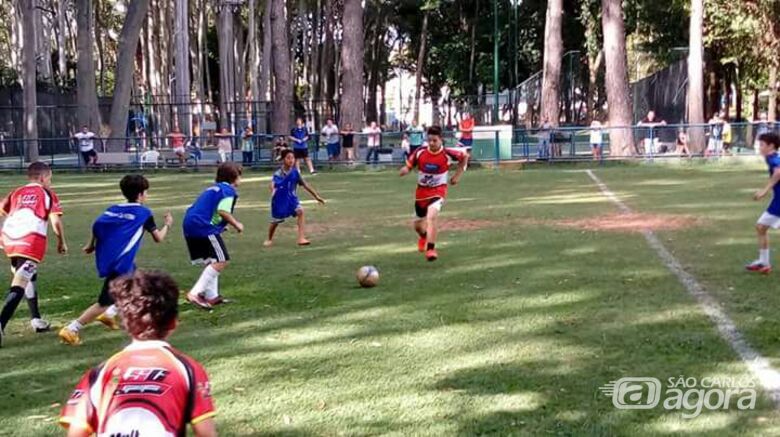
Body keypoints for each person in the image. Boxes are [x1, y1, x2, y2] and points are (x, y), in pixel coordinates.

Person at [58, 270, 217, 437]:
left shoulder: (100, 373)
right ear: (173, 323)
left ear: (125, 323)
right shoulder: (188, 370)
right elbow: (206, 433)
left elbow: (76, 432)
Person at [58, 175, 173, 346]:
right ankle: (72, 328)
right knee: (104, 302)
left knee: (139, 285)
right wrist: (168, 224)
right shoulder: (144, 213)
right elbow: (159, 238)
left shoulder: (113, 209)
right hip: (120, 264)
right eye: (146, 192)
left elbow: (98, 225)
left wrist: (91, 245)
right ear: (141, 194)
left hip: (116, 260)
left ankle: (110, 314)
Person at [0, 162, 67, 346]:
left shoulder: (17, 192)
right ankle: (1, 322)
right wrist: (61, 241)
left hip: (9, 239)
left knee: (28, 275)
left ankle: (36, 320)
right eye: (50, 179)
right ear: (43, 177)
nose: (50, 182)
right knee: (20, 282)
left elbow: (3, 210)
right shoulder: (48, 194)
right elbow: (56, 222)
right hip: (30, 241)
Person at [399, 126, 468, 262]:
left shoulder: (448, 153)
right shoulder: (420, 152)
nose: (431, 143)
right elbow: (409, 165)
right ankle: (424, 237)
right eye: (429, 140)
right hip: (421, 193)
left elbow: (464, 156)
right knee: (418, 227)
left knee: (431, 217)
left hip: (438, 190)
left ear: (441, 140)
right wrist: (405, 169)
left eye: (434, 140)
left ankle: (431, 249)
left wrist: (457, 176)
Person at [183, 162, 244, 310]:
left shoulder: (213, 189)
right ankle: (195, 293)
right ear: (234, 178)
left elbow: (210, 210)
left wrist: (218, 227)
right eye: (239, 176)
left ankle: (211, 296)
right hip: (203, 227)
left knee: (212, 259)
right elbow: (223, 211)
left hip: (191, 224)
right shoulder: (228, 191)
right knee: (222, 260)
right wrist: (237, 224)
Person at [264, 149, 326, 247]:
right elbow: (272, 184)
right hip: (280, 201)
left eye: (292, 158)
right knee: (276, 221)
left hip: (292, 199)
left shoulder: (295, 172)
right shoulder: (278, 173)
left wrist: (316, 196)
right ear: (283, 159)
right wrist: (273, 191)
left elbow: (305, 184)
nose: (291, 160)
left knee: (300, 211)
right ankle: (269, 238)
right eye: (288, 158)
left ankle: (301, 238)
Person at [746, 133, 780, 274]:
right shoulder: (771, 157)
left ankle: (764, 262)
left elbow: (778, 172)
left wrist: (764, 190)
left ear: (771, 146)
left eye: (761, 145)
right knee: (761, 227)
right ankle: (763, 262)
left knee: (761, 227)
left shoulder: (773, 158)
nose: (759, 147)